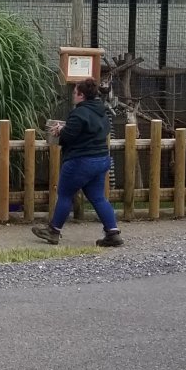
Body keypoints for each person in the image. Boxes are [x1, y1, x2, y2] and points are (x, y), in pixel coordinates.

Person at [32, 79, 123, 247]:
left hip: (81, 161)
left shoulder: (79, 113)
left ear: (81, 95)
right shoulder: (101, 111)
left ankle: (53, 231)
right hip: (101, 159)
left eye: (75, 93)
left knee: (65, 194)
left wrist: (60, 131)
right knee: (98, 197)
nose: (73, 95)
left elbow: (68, 136)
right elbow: (94, 131)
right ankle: (113, 232)